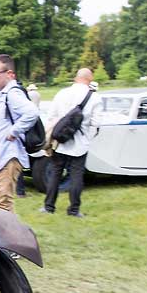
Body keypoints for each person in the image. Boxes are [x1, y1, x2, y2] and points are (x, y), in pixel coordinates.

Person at [39, 68, 102, 218]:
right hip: (80, 143)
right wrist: (87, 138)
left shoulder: (62, 93)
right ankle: (73, 209)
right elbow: (96, 123)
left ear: (76, 78)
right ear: (90, 79)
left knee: (55, 173)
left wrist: (53, 136)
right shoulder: (94, 98)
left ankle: (49, 206)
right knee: (76, 176)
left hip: (60, 141)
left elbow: (52, 116)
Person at [0, 54, 39, 213]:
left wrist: (14, 131)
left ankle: (12, 238)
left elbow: (32, 112)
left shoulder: (13, 93)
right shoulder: (2, 94)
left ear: (9, 74)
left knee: (3, 206)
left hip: (6, 157)